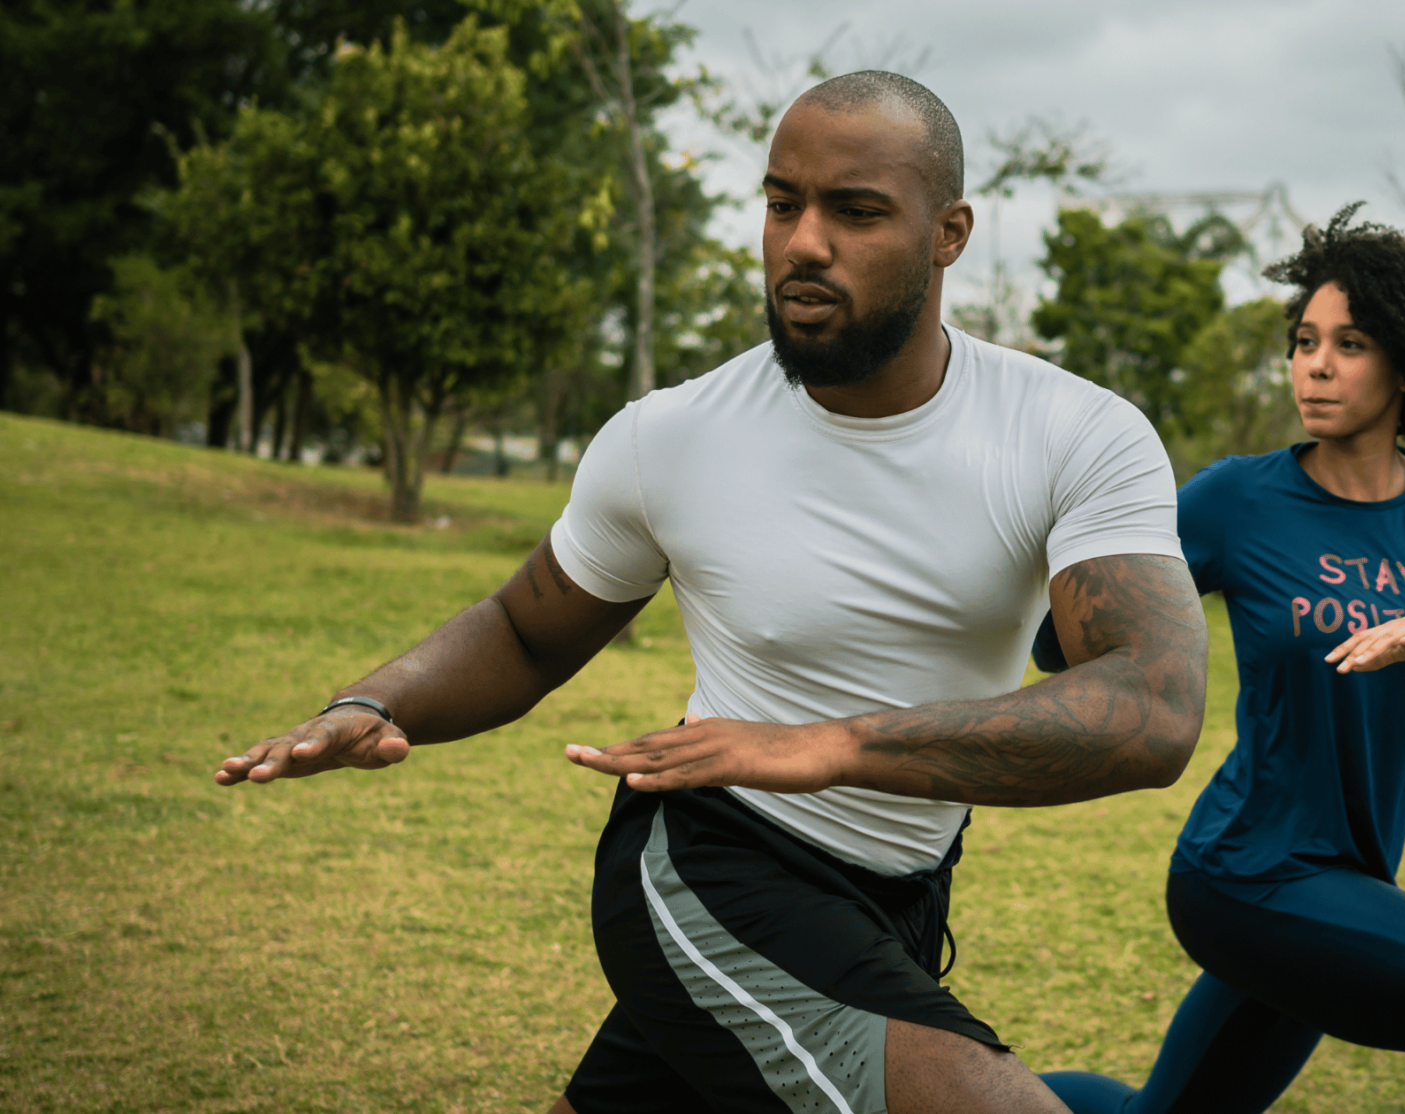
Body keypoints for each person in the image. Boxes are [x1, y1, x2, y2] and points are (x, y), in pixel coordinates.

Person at [215, 71, 1209, 1114]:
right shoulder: (673, 436)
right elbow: (525, 626)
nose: (804, 243)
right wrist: (373, 702)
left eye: (856, 211)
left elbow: (1152, 703)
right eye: (783, 204)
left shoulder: (1075, 433)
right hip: (710, 861)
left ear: (948, 232)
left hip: (899, 891)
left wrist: (835, 744)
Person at [1033, 204, 1405, 1114]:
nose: (1314, 364)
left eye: (1349, 343)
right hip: (1245, 873)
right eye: (1304, 340)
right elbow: (1061, 645)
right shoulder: (1236, 500)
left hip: (1349, 881)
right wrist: (1078, 553)